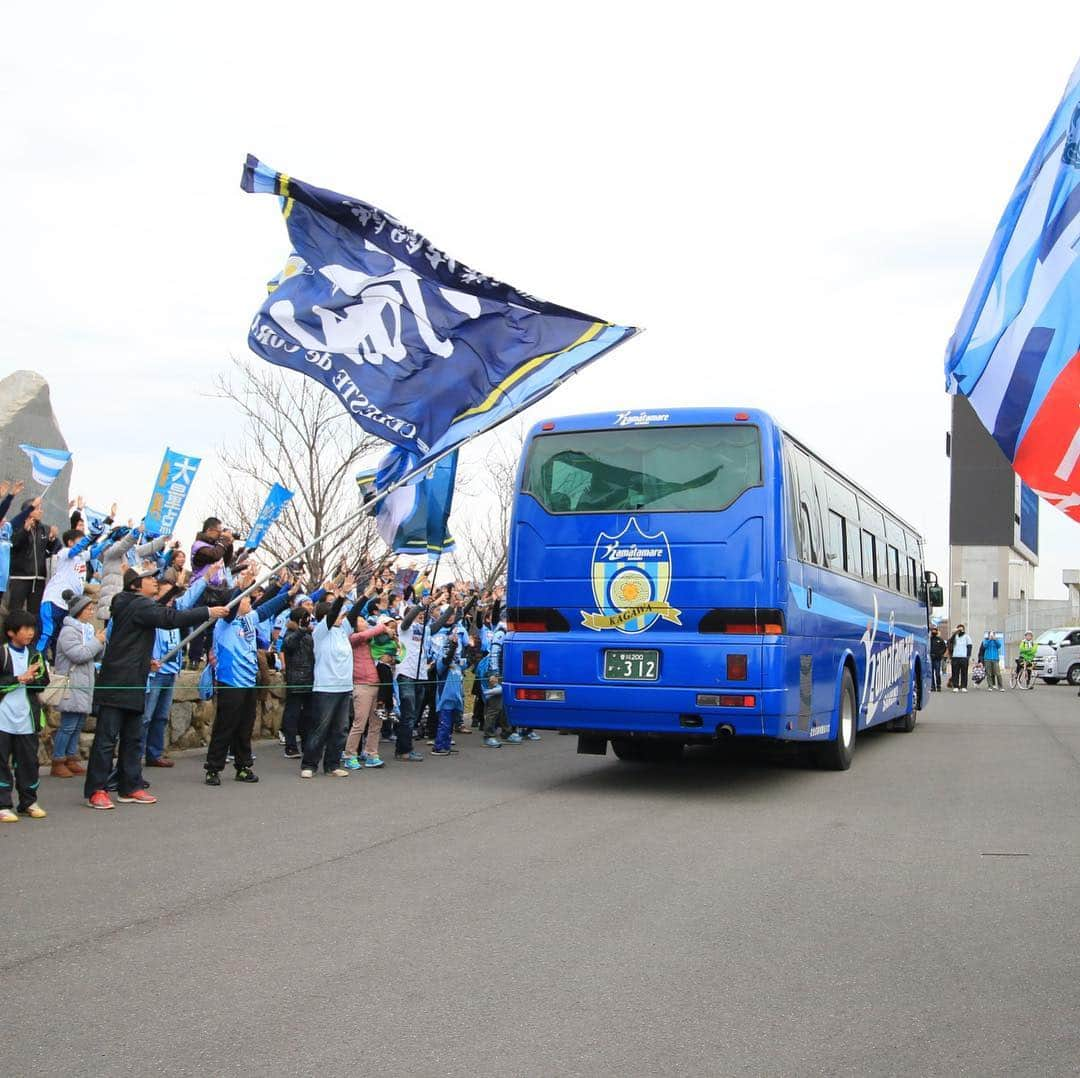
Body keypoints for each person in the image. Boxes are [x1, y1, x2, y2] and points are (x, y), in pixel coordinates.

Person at [84, 568, 226, 810]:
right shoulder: (137, 605)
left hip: (135, 678)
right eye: (149, 578)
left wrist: (144, 662)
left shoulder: (136, 605)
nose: (154, 581)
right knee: (106, 739)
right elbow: (171, 618)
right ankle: (97, 789)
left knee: (133, 737)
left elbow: (135, 636)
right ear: (135, 585)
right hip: (117, 682)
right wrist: (207, 612)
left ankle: (130, 786)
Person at [204, 571, 297, 786]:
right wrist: (238, 589)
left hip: (248, 681)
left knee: (246, 726)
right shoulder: (224, 623)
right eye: (245, 598)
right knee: (225, 726)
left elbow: (266, 607)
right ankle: (213, 768)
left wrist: (284, 590)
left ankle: (243, 766)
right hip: (230, 682)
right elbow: (230, 610)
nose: (250, 601)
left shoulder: (248, 619)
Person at [143, 569, 211, 768]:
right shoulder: (152, 612)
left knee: (161, 716)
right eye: (168, 595)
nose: (171, 600)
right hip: (155, 672)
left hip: (171, 671)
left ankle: (154, 753)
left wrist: (205, 578)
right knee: (146, 716)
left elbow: (188, 599)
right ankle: (134, 755)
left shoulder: (175, 611)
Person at [0, 610, 50, 822]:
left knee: (29, 762)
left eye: (32, 629)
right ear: (11, 632)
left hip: (27, 719)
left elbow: (43, 682)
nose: (30, 633)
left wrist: (34, 679)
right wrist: (18, 678)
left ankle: (28, 801)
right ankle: (3, 804)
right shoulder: (2, 653)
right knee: (2, 762)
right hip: (3, 718)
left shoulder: (35, 655)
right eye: (25, 629)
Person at [302, 586, 355, 779]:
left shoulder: (343, 630)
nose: (343, 618)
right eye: (340, 615)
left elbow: (355, 612)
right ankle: (309, 764)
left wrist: (369, 593)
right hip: (326, 687)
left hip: (345, 686)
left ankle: (332, 765)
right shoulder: (321, 631)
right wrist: (340, 599)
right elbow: (332, 615)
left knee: (340, 729)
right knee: (320, 728)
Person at [51, 593, 105, 777]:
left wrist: (99, 643)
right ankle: (58, 759)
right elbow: (79, 654)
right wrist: (97, 642)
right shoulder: (68, 631)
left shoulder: (87, 629)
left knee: (78, 723)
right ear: (78, 611)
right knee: (68, 724)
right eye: (88, 609)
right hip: (72, 683)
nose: (91, 612)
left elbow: (95, 655)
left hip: (85, 682)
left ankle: (71, 757)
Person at [343, 593, 391, 770]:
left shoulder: (371, 640)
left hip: (376, 683)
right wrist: (382, 628)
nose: (364, 622)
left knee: (376, 721)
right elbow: (368, 634)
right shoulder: (353, 639)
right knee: (359, 722)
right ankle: (349, 755)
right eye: (361, 621)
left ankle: (371, 753)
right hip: (361, 685)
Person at [6, 498, 61, 616]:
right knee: (15, 612)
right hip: (20, 577)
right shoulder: (16, 526)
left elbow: (52, 551)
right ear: (28, 510)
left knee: (34, 614)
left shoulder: (45, 529)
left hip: (39, 579)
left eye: (41, 509)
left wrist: (53, 540)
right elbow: (13, 545)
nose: (41, 511)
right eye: (37, 508)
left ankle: (33, 634)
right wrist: (25, 530)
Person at [431, 630, 465, 756]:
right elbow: (447, 658)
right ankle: (438, 746)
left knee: (450, 725)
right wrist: (453, 646)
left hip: (455, 697)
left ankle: (446, 744)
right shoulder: (442, 661)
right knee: (444, 723)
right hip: (445, 698)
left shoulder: (456, 664)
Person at [948, 623, 974, 693]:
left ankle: (964, 686)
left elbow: (969, 646)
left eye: (961, 628)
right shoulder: (954, 636)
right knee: (955, 672)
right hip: (955, 657)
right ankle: (955, 686)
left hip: (963, 657)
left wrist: (968, 656)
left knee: (964, 672)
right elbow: (950, 642)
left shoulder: (967, 636)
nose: (960, 630)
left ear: (963, 629)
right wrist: (954, 633)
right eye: (958, 628)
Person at [929, 627, 946, 692]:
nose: (933, 632)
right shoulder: (929, 640)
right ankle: (932, 686)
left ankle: (938, 686)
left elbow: (944, 648)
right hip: (930, 659)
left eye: (935, 631)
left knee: (937, 673)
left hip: (937, 659)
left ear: (937, 632)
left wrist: (940, 654)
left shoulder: (940, 640)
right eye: (932, 631)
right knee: (931, 674)